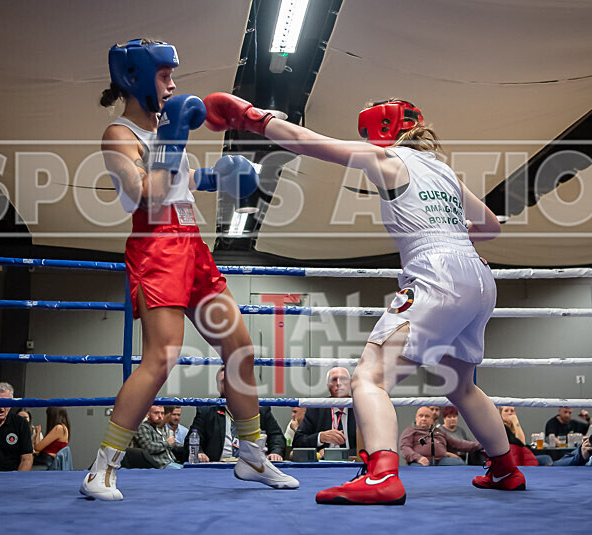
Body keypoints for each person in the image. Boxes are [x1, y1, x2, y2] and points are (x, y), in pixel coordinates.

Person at [203, 93, 518, 505]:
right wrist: (447, 240)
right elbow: (491, 227)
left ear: (379, 131)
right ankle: (506, 470)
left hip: (436, 273)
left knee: (368, 378)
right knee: (460, 385)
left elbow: (307, 142)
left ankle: (382, 476)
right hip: (477, 277)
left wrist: (252, 119)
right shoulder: (445, 173)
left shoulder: (385, 158)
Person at [80, 39, 297, 500]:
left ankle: (252, 456)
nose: (174, 84)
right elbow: (146, 195)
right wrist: (176, 136)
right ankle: (102, 468)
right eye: (164, 75)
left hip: (193, 245)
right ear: (135, 78)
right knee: (160, 359)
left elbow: (179, 183)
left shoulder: (163, 130)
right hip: (157, 246)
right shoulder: (118, 135)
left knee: (240, 348)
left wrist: (217, 176)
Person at [183, 367, 286, 462]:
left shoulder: (260, 409)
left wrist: (275, 452)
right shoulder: (207, 410)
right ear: (218, 386)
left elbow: (276, 436)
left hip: (253, 464)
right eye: (223, 381)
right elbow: (192, 439)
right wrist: (199, 453)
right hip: (218, 466)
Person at [293, 367, 356, 455]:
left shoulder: (361, 408)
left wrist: (341, 454)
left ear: (350, 383)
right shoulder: (316, 408)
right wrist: (320, 437)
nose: (338, 383)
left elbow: (372, 443)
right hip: (323, 463)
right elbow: (297, 442)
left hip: (354, 461)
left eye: (343, 379)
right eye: (334, 380)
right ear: (328, 385)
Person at [399, 406, 481, 466]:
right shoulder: (410, 431)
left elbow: (457, 443)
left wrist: (479, 445)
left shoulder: (439, 432)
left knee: (460, 465)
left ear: (432, 420)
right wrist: (418, 458)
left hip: (441, 460)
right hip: (419, 462)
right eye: (421, 416)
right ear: (416, 418)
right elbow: (404, 448)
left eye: (427, 416)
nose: (423, 419)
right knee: (417, 470)